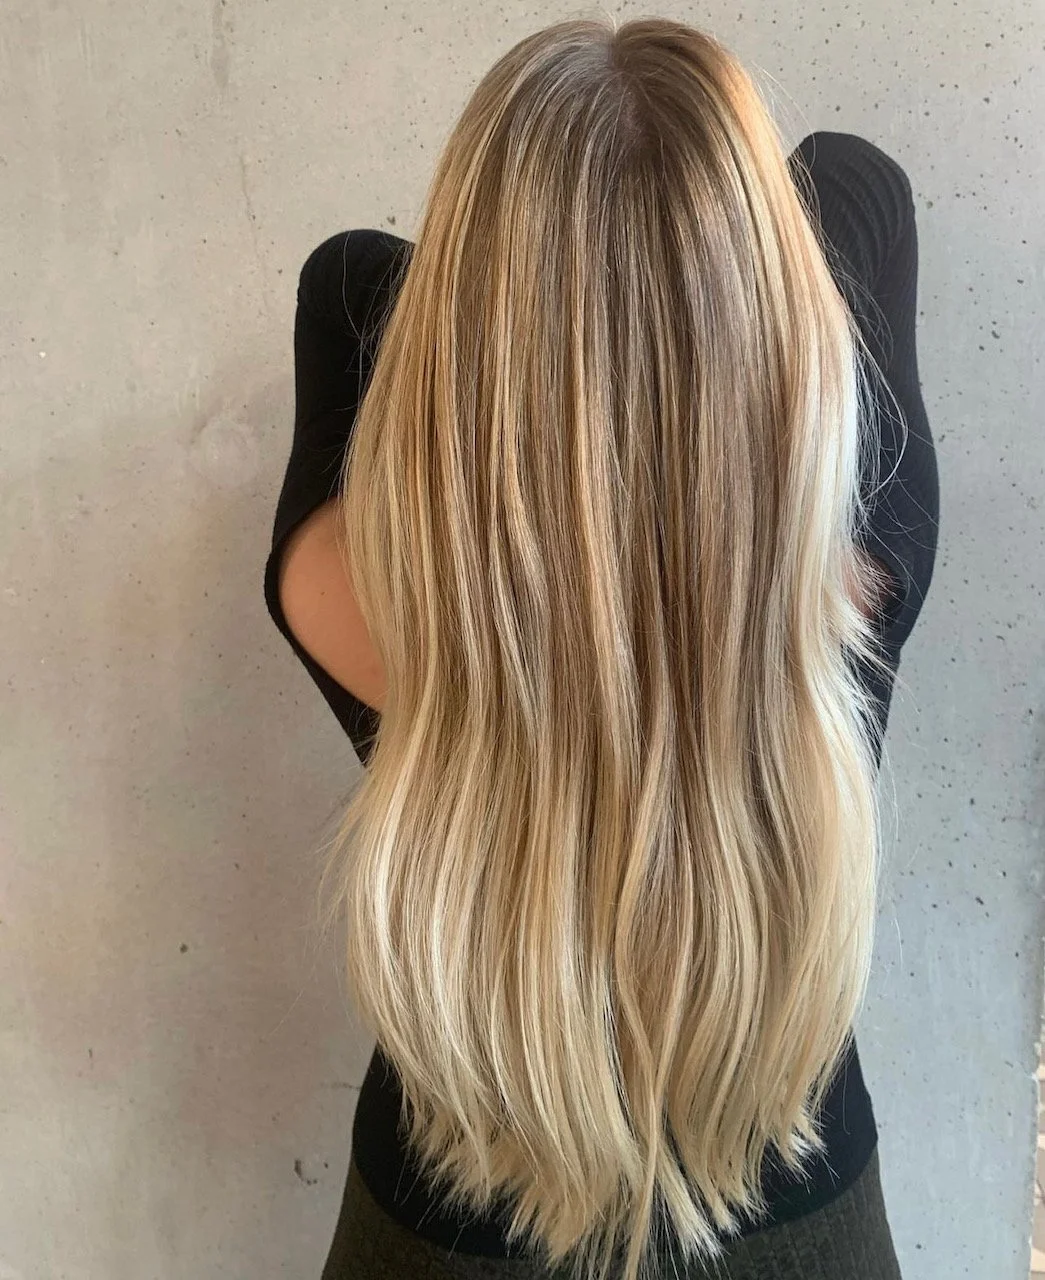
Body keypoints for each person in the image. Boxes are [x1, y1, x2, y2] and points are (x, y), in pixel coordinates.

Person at [262, 16, 939, 1280]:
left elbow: (360, 276)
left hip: (442, 1203)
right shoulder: (861, 523)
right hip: (792, 1199)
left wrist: (523, 301)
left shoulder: (353, 513)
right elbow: (852, 184)